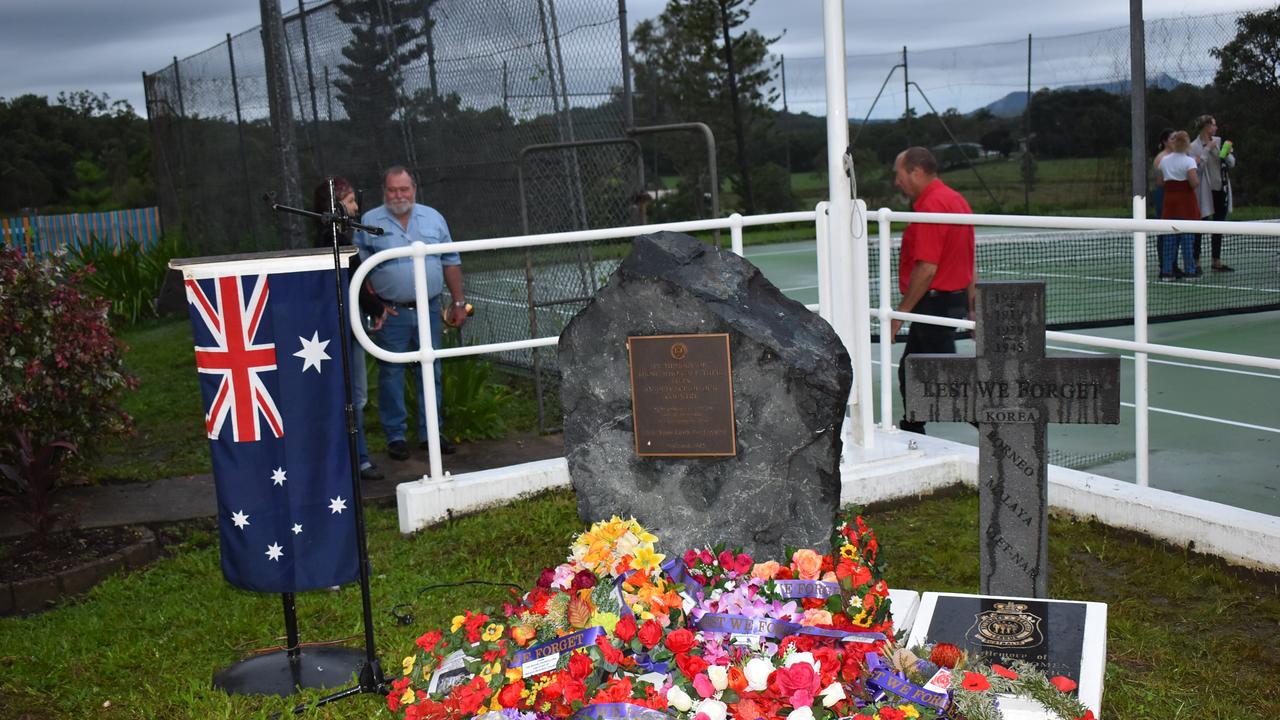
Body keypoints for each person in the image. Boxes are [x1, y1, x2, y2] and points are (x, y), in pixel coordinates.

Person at [354, 166, 468, 460]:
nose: (398, 195)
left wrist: (458, 302)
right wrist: (376, 304)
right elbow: (358, 269)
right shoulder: (369, 221)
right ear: (384, 192)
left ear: (414, 189)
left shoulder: (433, 218)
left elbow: (451, 261)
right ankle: (396, 436)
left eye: (404, 189)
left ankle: (431, 433)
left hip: (429, 308)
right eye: (392, 190)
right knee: (391, 372)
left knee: (432, 371)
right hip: (393, 314)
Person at [890, 147, 976, 435]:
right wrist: (973, 307)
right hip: (952, 301)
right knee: (910, 369)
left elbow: (926, 268)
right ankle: (913, 432)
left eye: (899, 175)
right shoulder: (957, 200)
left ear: (915, 172)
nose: (896, 182)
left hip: (934, 304)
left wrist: (898, 316)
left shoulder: (931, 206)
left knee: (949, 381)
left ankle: (998, 431)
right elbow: (969, 260)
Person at [312, 177, 385, 481]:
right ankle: (356, 459)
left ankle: (357, 457)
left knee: (355, 394)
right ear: (336, 204)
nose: (356, 208)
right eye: (351, 201)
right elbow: (354, 280)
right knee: (353, 394)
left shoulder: (343, 237)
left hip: (349, 321)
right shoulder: (333, 240)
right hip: (341, 324)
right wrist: (376, 307)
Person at [1189, 114, 1236, 272]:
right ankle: (1196, 262)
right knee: (1200, 226)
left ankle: (1216, 261)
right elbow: (1197, 170)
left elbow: (1231, 163)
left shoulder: (1219, 142)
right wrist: (1206, 151)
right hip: (1204, 191)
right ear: (1206, 127)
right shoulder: (1193, 146)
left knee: (1219, 225)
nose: (1216, 128)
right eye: (1213, 125)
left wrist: (1227, 153)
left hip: (1220, 189)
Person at [1158, 131, 1200, 281]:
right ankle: (1190, 271)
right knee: (1187, 238)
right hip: (1186, 202)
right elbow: (1194, 182)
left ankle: (1167, 272)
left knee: (1169, 238)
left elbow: (1160, 182)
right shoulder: (1189, 161)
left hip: (1170, 201)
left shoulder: (1164, 160)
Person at [1151, 128, 1180, 276]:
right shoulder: (1160, 158)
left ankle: (1173, 263)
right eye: (1172, 138)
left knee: (1175, 229)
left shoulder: (1177, 156)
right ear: (1165, 142)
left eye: (1176, 138)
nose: (1175, 141)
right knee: (1164, 229)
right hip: (1163, 195)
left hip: (1174, 195)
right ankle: (1164, 265)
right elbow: (1160, 182)